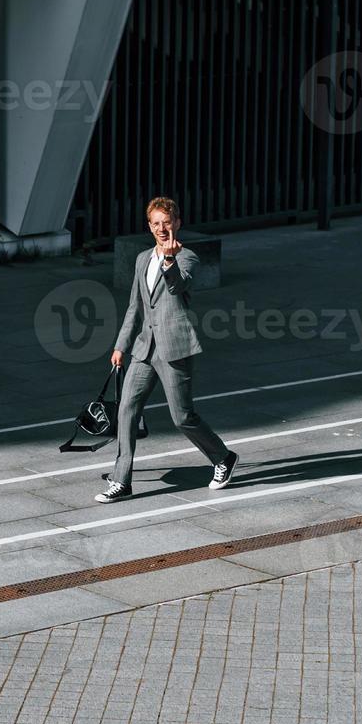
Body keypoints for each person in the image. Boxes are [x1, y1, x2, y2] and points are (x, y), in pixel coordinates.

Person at [95, 196, 238, 503]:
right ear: (149, 226)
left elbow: (178, 286)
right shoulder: (142, 259)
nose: (162, 228)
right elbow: (135, 306)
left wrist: (170, 260)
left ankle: (223, 458)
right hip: (145, 348)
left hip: (175, 347)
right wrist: (121, 345)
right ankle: (122, 480)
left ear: (177, 223)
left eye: (167, 222)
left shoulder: (188, 257)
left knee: (182, 417)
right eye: (156, 223)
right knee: (127, 410)